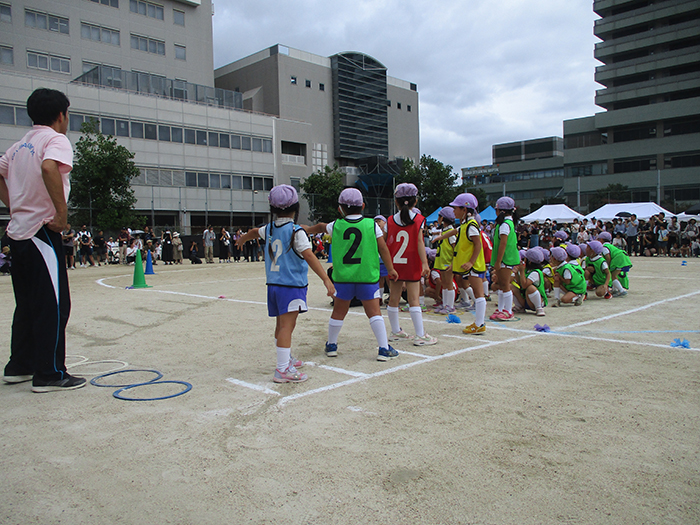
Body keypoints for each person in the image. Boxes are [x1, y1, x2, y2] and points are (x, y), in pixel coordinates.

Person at [0, 88, 86, 392]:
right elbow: (50, 167)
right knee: (53, 305)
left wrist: (14, 205)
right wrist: (60, 217)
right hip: (40, 232)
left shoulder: (19, 145)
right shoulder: (55, 139)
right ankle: (49, 373)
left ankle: (19, 366)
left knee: (26, 304)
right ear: (61, 115)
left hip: (17, 233)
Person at [236, 185, 335, 383]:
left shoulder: (270, 228)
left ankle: (285, 358)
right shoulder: (296, 231)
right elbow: (309, 256)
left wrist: (243, 238)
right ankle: (282, 369)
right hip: (291, 286)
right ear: (296, 208)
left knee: (281, 325)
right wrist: (326, 279)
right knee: (286, 327)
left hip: (273, 285)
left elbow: (255, 231)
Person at [306, 188, 400, 361]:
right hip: (367, 277)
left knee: (338, 312)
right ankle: (383, 348)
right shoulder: (371, 224)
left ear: (340, 208)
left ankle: (332, 345)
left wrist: (305, 228)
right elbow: (383, 248)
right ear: (363, 206)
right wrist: (391, 268)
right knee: (374, 313)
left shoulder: (336, 225)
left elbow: (320, 227)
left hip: (343, 278)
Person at [385, 184, 437, 346]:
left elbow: (385, 243)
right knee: (414, 299)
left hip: (395, 263)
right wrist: (424, 264)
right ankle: (420, 335)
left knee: (393, 299)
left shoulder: (390, 220)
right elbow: (420, 242)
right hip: (411, 263)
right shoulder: (419, 220)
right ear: (415, 201)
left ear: (396, 201)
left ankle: (395, 332)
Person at [446, 193, 488, 334]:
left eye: (456, 208)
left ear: (465, 209)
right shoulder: (465, 225)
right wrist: (439, 237)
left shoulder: (471, 225)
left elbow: (478, 245)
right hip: (472, 265)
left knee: (479, 294)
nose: (453, 211)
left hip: (474, 266)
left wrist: (471, 262)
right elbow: (454, 232)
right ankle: (478, 323)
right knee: (477, 293)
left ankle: (480, 323)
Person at [491, 196, 519, 320]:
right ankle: (501, 309)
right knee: (502, 285)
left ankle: (508, 310)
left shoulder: (505, 225)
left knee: (505, 284)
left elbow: (503, 243)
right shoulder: (506, 223)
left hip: (505, 259)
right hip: (504, 258)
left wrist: (498, 261)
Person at [431, 206, 457, 314]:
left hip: (448, 262)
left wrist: (453, 263)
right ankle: (445, 304)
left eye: (439, 216)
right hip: (442, 261)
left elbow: (455, 248)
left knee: (448, 283)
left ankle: (450, 306)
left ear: (443, 218)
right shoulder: (445, 231)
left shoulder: (451, 232)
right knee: (444, 283)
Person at [513, 247, 547, 316]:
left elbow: (525, 285)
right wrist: (517, 273)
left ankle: (539, 308)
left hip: (536, 301)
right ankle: (519, 307)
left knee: (530, 288)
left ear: (529, 261)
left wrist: (522, 271)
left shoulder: (536, 272)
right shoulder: (527, 270)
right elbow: (520, 284)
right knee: (511, 287)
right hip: (527, 300)